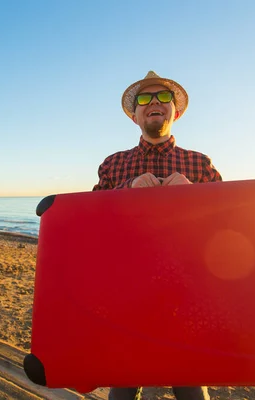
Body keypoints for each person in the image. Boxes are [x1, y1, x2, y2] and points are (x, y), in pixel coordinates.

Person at [92, 71, 222, 400]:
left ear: (174, 113)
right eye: (145, 99)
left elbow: (229, 224)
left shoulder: (200, 164)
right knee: (122, 387)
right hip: (127, 294)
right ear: (134, 116)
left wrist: (195, 194)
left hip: (187, 295)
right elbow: (90, 222)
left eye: (163, 97)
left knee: (191, 386)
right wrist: (126, 190)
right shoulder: (113, 165)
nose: (154, 103)